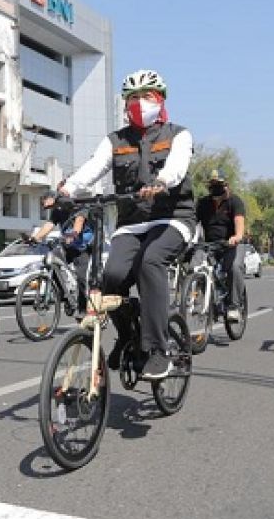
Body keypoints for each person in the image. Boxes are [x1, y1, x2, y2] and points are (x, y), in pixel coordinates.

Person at [60, 69, 195, 380]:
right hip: (132, 223)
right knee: (112, 276)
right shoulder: (115, 141)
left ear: (160, 99)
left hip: (173, 219)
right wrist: (67, 190)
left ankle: (159, 351)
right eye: (132, 97)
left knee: (150, 262)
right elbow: (93, 167)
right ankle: (128, 334)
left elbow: (177, 167)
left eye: (146, 96)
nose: (138, 102)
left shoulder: (179, 134)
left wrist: (162, 181)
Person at [29, 191, 94, 317]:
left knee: (81, 277)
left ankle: (82, 309)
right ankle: (63, 293)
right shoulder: (57, 210)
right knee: (50, 260)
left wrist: (73, 234)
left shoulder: (77, 205)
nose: (51, 208)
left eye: (49, 205)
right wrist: (35, 237)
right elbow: (49, 224)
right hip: (67, 245)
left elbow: (79, 221)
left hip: (82, 246)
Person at [195, 169, 247, 320]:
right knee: (196, 266)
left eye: (218, 184)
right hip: (209, 245)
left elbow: (239, 221)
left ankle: (234, 306)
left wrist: (237, 236)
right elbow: (193, 223)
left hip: (231, 245)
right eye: (211, 184)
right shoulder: (203, 203)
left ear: (226, 185)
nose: (214, 187)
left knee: (234, 268)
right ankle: (208, 299)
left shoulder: (235, 201)